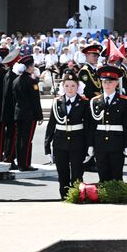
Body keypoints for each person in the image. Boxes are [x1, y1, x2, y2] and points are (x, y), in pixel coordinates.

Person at [44, 70, 89, 198]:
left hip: (78, 142)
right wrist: (47, 146)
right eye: (67, 85)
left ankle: (76, 196)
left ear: (78, 87)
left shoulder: (84, 102)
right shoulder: (57, 102)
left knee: (77, 172)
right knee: (62, 173)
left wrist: (88, 146)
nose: (70, 89)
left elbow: (87, 127)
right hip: (60, 142)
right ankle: (64, 197)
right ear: (63, 87)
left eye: (73, 85)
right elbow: (51, 125)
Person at [89, 64, 127, 181]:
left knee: (117, 174)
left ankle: (115, 198)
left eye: (110, 82)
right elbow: (92, 125)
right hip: (100, 142)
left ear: (117, 83)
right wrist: (90, 144)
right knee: (102, 173)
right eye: (104, 82)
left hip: (117, 142)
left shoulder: (124, 101)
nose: (107, 85)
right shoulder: (95, 101)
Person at [10, 54, 42, 170]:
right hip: (29, 114)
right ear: (29, 67)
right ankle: (25, 164)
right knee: (27, 140)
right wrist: (39, 115)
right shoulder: (32, 81)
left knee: (19, 139)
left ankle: (20, 162)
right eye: (32, 66)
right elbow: (35, 100)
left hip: (18, 113)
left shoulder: (16, 80)